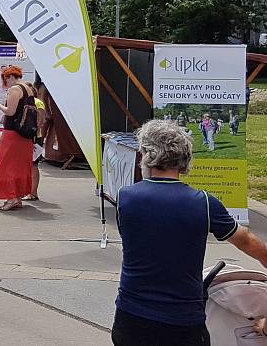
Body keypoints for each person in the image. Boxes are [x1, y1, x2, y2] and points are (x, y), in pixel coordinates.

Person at [112, 119, 267, 346]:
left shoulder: (125, 198)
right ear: (185, 159)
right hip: (183, 320)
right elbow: (245, 239)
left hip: (132, 315)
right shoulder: (204, 203)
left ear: (145, 154)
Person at [0, 66, 35, 211]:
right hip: (25, 134)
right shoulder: (28, 88)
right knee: (20, 166)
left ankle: (11, 197)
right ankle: (18, 196)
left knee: (7, 165)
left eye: (5, 79)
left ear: (9, 77)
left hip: (13, 134)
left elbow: (11, 111)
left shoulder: (15, 89)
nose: (5, 82)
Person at [23, 82, 47, 202]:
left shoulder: (37, 102)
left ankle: (33, 192)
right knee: (29, 165)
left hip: (34, 137)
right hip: (30, 136)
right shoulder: (27, 102)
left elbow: (42, 120)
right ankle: (29, 191)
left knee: (33, 165)